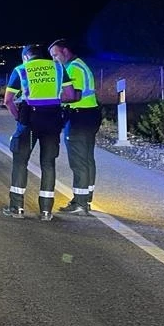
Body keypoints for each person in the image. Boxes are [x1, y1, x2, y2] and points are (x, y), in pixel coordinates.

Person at [2, 44, 78, 221]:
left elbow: (8, 100)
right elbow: (70, 94)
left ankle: (17, 208)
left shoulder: (21, 69)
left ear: (26, 57)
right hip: (52, 121)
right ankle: (46, 211)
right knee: (48, 163)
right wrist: (52, 100)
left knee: (20, 162)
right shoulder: (58, 67)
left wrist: (17, 117)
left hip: (29, 121)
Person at [49, 38, 101, 215]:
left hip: (79, 116)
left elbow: (74, 96)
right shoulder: (81, 65)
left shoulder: (73, 69)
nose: (54, 59)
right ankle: (86, 198)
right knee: (87, 158)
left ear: (65, 51)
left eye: (55, 55)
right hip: (90, 114)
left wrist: (53, 98)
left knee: (78, 161)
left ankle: (80, 203)